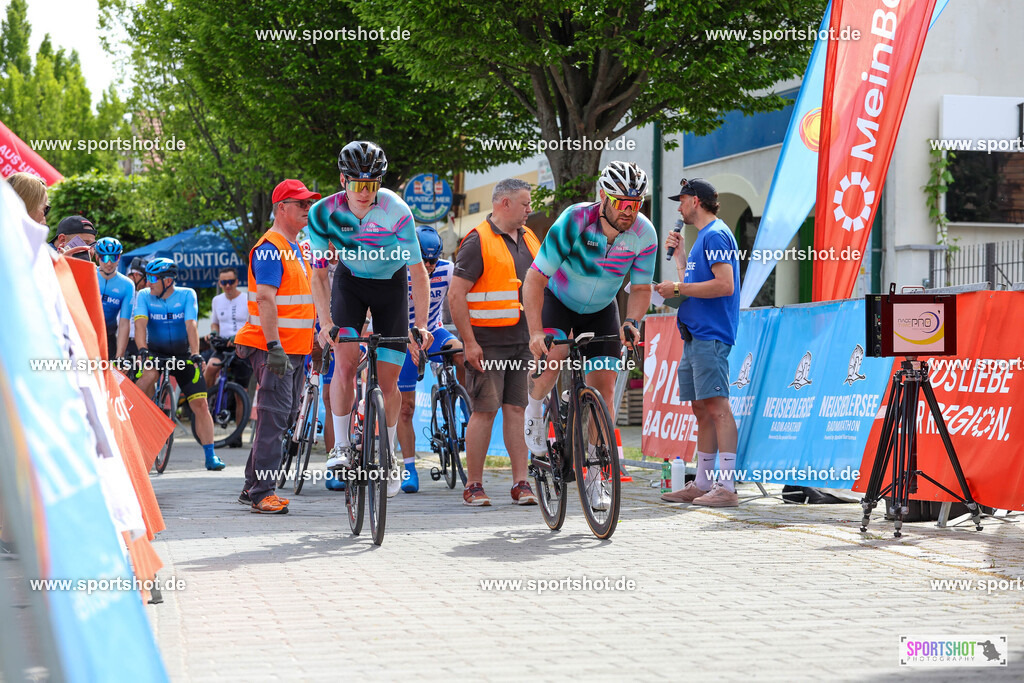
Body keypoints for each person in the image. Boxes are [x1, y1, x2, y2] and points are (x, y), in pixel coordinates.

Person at [522, 161, 656, 511]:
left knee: (605, 390)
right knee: (552, 362)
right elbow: (534, 280)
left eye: (635, 203)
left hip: (600, 308)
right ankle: (535, 408)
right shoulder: (575, 221)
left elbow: (640, 288)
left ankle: (597, 471)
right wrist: (536, 331)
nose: (628, 211)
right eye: (621, 202)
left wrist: (633, 322)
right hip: (558, 300)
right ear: (603, 197)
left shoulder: (644, 234)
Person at [308, 141, 431, 500]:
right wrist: (325, 321)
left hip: (391, 285)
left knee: (390, 381)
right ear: (342, 180)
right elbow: (318, 275)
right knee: (345, 364)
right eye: (357, 184)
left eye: (372, 185)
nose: (365, 193)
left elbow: (418, 272)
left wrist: (419, 324)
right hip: (349, 283)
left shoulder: (397, 210)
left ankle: (390, 454)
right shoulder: (322, 214)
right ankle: (341, 446)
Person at [448, 178, 539, 507]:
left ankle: (521, 483)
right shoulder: (477, 241)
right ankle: (473, 485)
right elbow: (456, 296)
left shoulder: (529, 238)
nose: (530, 209)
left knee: (517, 409)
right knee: (485, 411)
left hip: (523, 340)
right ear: (504, 204)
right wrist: (469, 343)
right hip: (488, 344)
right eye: (525, 203)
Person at [234, 179, 321, 514]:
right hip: (275, 349)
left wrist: (312, 339)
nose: (307, 209)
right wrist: (273, 347)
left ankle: (251, 487)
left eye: (309, 203)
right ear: (281, 207)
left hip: (293, 349)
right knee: (274, 418)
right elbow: (266, 299)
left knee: (281, 418)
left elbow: (300, 303)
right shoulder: (271, 247)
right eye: (300, 204)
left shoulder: (297, 248)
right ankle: (261, 492)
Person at [656, 178, 741, 507]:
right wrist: (679, 258)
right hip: (695, 334)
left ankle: (728, 486)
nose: (678, 207)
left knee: (717, 408)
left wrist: (677, 289)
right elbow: (693, 285)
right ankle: (703, 482)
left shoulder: (716, 234)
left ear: (695, 201)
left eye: (682, 200)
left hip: (711, 334)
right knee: (701, 409)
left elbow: (724, 285)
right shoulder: (703, 239)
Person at [134, 257, 227, 472]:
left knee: (201, 404)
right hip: (155, 352)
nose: (148, 282)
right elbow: (140, 325)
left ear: (168, 281)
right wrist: (142, 350)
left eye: (152, 278)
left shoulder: (187, 294)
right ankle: (136, 420)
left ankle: (210, 455)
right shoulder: (144, 296)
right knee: (147, 376)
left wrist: (195, 354)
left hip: (182, 354)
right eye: (147, 277)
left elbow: (191, 325)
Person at [396, 225, 464, 493]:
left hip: (433, 331)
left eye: (433, 260)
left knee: (462, 353)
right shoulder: (399, 271)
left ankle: (469, 408)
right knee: (406, 407)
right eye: (423, 259)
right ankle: (410, 468)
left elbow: (460, 301)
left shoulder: (447, 269)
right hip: (402, 335)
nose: (428, 265)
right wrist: (407, 338)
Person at [203, 266, 252, 448]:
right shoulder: (217, 300)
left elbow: (252, 322)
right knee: (210, 367)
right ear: (220, 283)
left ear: (237, 282)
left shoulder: (247, 298)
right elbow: (215, 323)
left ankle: (237, 435)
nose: (227, 286)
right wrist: (212, 333)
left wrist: (239, 337)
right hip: (223, 345)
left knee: (242, 393)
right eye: (224, 283)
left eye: (231, 282)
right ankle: (207, 401)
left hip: (243, 345)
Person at [94, 237, 134, 360]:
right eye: (105, 258)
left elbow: (124, 323)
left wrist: (119, 356)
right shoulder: (89, 274)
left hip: (109, 337)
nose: (109, 263)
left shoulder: (127, 285)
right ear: (97, 257)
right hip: (86, 332)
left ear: (119, 258)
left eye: (113, 257)